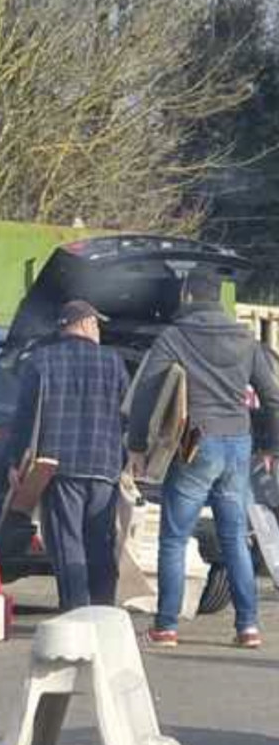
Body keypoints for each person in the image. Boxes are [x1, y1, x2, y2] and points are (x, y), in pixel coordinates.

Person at [128, 272, 279, 649]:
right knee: (234, 539)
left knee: (175, 538)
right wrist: (269, 446)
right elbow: (272, 396)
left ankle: (166, 626)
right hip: (237, 445)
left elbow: (147, 390)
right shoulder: (246, 338)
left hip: (196, 442)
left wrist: (137, 444)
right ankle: (248, 627)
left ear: (188, 294)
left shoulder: (175, 337)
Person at [8, 299, 130, 611]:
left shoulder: (41, 361)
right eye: (97, 324)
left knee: (67, 541)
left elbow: (24, 417)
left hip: (57, 466)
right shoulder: (113, 362)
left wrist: (15, 462)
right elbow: (127, 414)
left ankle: (75, 609)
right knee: (101, 540)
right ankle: (103, 608)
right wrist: (127, 457)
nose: (99, 330)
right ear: (86, 323)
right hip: (104, 465)